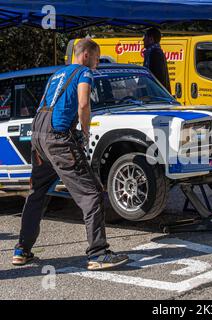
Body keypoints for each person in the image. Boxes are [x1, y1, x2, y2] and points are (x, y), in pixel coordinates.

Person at [12, 39, 129, 270]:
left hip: (38, 137)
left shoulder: (57, 74)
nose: (97, 63)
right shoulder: (84, 72)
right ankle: (98, 253)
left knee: (36, 193)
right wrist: (85, 132)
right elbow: (83, 104)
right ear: (86, 55)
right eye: (97, 57)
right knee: (92, 193)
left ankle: (21, 251)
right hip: (59, 139)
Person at [143, 27, 171, 93]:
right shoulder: (155, 52)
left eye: (145, 37)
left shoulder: (155, 53)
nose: (143, 40)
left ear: (151, 39)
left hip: (157, 94)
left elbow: (156, 77)